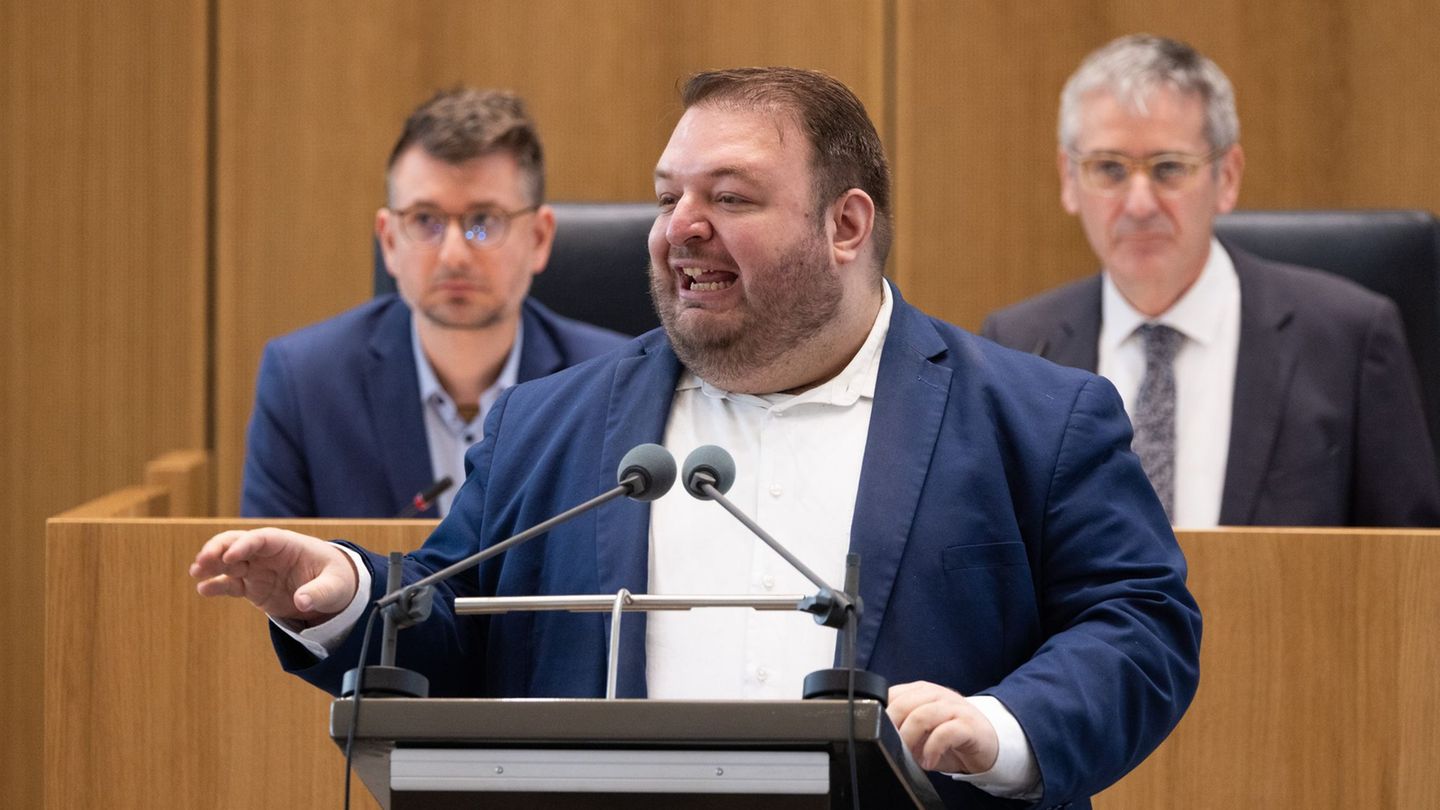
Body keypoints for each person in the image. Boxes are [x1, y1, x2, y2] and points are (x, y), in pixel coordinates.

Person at [194, 67, 1201, 808]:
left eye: (729, 197)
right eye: (668, 195)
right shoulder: (550, 421)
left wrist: (1001, 727)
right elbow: (458, 617)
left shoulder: (1036, 419)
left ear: (846, 226)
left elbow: (1141, 627)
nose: (680, 227)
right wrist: (345, 599)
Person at [982, 34, 1440, 527]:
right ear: (1069, 180)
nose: (1139, 204)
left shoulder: (1348, 340)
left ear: (1228, 177)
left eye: (1169, 168)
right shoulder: (1015, 350)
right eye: (1109, 168)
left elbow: (1411, 572)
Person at [240, 88, 629, 518]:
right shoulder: (304, 382)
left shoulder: (612, 384)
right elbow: (273, 578)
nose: (454, 254)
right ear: (389, 240)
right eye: (426, 221)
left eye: (483, 222)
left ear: (539, 239)